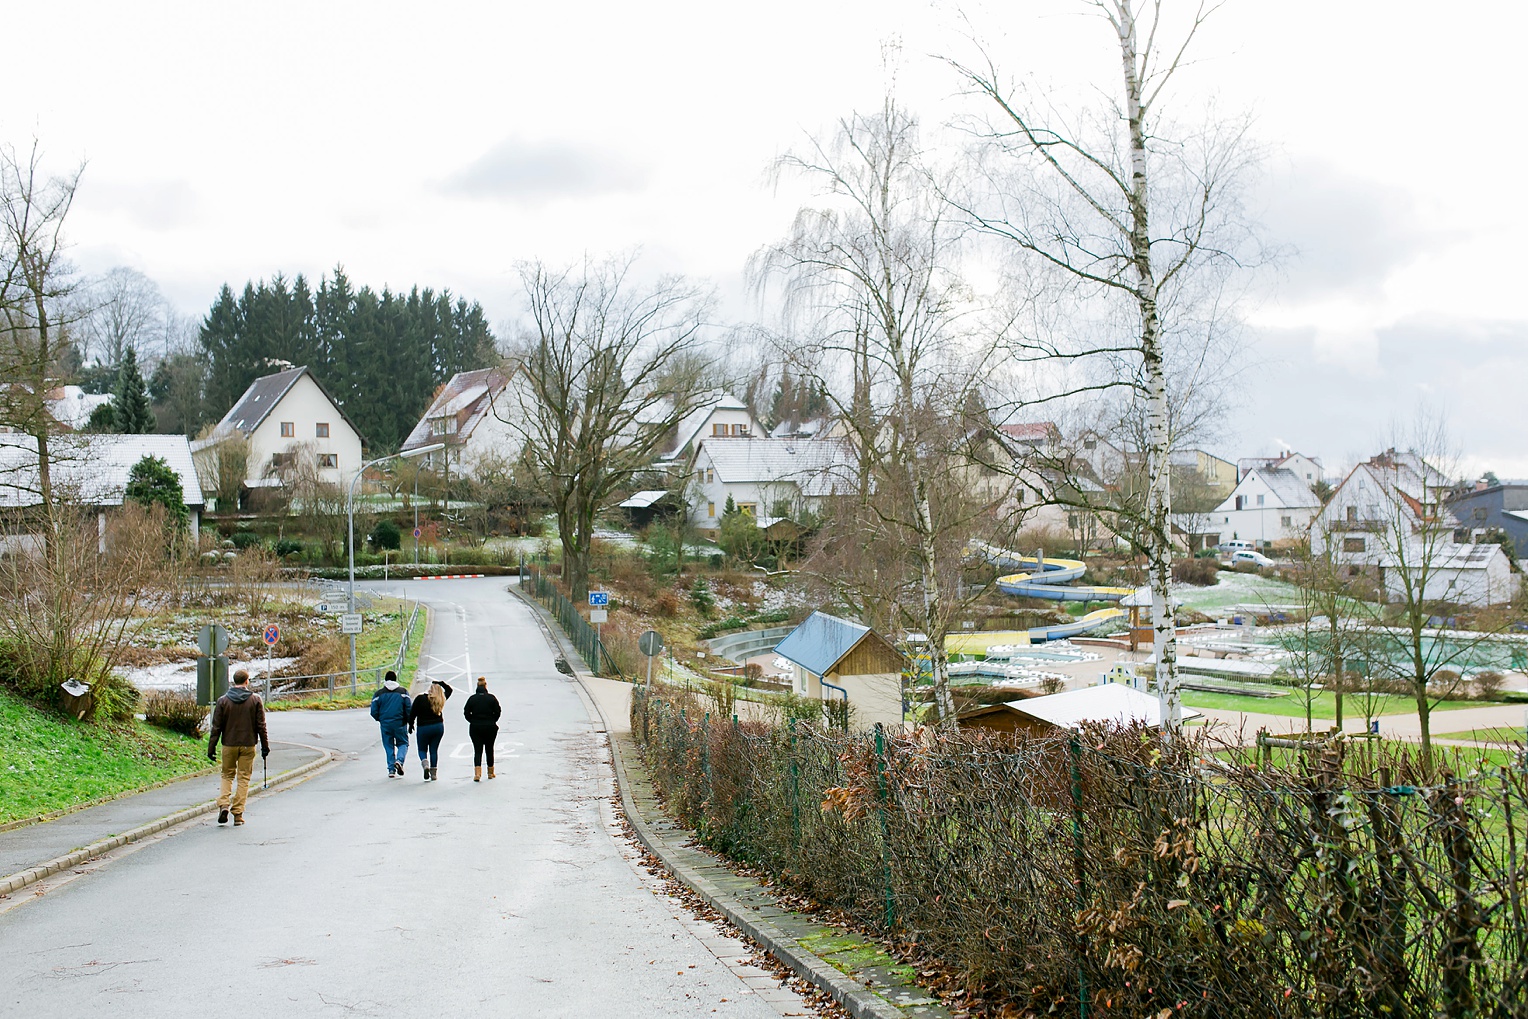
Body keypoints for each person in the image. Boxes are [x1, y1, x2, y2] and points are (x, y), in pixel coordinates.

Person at [207, 670, 270, 826]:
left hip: (228, 744)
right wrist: (265, 746)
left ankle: (223, 805)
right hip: (248, 745)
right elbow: (261, 726)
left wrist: (211, 747)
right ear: (247, 681)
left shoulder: (223, 701)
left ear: (233, 681)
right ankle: (238, 814)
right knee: (243, 778)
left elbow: (216, 727)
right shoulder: (255, 700)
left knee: (227, 775)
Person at [369, 670, 412, 778]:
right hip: (400, 723)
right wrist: (407, 720)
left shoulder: (378, 694)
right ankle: (399, 760)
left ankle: (391, 770)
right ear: (395, 679)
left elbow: (373, 711)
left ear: (385, 680)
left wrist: (380, 719)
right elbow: (408, 708)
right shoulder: (403, 692)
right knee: (403, 743)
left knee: (388, 746)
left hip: (385, 724)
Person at [408, 678, 452, 781]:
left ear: (429, 689)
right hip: (438, 727)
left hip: (423, 727)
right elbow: (449, 690)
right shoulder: (441, 699)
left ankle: (425, 764)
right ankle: (433, 774)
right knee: (434, 750)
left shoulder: (420, 699)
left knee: (422, 749)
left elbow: (412, 713)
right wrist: (441, 683)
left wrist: (410, 724)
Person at [462, 676, 502, 782]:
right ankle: (490, 772)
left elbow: (466, 712)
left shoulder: (472, 699)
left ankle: (477, 774)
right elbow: (498, 711)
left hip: (475, 727)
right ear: (485, 686)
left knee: (477, 750)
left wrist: (472, 720)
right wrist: (493, 720)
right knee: (489, 749)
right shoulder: (492, 698)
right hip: (490, 726)